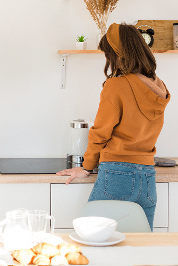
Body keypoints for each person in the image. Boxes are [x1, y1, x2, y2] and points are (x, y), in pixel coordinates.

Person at [56, 23, 170, 230]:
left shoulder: (117, 86)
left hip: (117, 175)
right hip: (147, 177)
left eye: (108, 54)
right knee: (140, 246)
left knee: (92, 237)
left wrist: (86, 167)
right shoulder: (158, 86)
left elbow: (100, 133)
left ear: (118, 54)